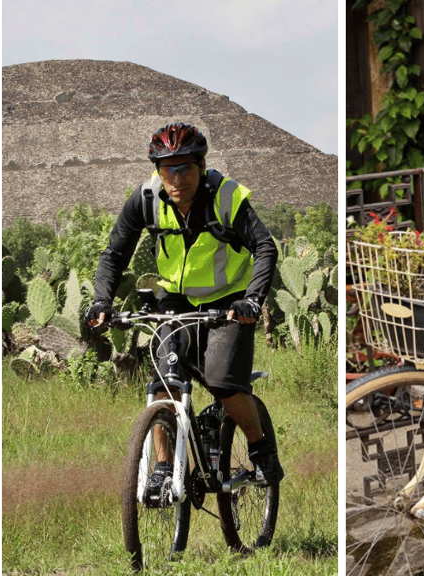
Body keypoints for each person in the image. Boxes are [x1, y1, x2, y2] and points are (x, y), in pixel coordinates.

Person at [86, 122, 284, 486]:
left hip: (230, 300)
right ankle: (164, 468)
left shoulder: (226, 197)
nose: (176, 178)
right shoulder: (145, 199)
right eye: (167, 169)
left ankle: (260, 447)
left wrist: (252, 300)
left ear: (202, 166)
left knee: (224, 385)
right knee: (165, 382)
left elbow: (265, 247)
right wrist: (102, 300)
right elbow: (114, 255)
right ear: (157, 170)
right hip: (176, 300)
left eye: (184, 168)